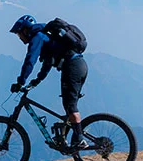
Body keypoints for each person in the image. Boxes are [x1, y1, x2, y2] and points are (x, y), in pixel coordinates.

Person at [10, 15, 88, 147]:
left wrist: (20, 81)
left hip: (72, 67)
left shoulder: (37, 37)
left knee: (70, 105)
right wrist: (37, 80)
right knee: (68, 104)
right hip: (80, 66)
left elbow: (30, 60)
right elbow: (48, 62)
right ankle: (69, 138)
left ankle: (80, 139)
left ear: (25, 30)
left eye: (19, 34)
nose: (20, 38)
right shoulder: (46, 37)